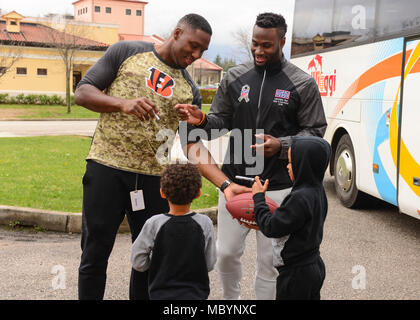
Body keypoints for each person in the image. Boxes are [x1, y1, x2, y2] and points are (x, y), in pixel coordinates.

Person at [176, 12, 327, 299]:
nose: (259, 51)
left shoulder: (302, 83)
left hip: (278, 188)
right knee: (226, 254)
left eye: (266, 45)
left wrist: (281, 145)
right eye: (255, 44)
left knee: (269, 262)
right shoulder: (234, 77)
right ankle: (232, 302)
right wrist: (202, 121)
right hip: (235, 183)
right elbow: (221, 120)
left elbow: (315, 132)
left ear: (282, 41)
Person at [74, 13, 212, 300]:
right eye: (193, 45)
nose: (196, 55)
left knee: (149, 257)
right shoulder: (127, 52)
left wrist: (223, 182)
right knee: (95, 252)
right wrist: (122, 104)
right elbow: (84, 93)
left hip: (152, 181)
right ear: (177, 33)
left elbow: (192, 146)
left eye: (203, 51)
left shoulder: (190, 89)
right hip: (106, 168)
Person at [252, 136, 331, 300]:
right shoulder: (317, 191)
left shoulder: (299, 198)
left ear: (303, 165)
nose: (287, 167)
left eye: (290, 162)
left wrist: (259, 198)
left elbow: (271, 227)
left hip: (296, 274)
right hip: (314, 265)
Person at [131, 162, 216, 300]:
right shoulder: (204, 223)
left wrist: (156, 264)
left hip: (160, 293)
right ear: (198, 193)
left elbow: (138, 261)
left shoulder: (154, 223)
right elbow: (210, 263)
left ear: (162, 193)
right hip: (196, 294)